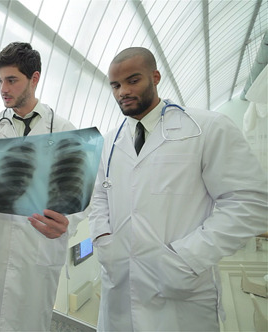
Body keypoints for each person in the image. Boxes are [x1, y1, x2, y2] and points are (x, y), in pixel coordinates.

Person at [89, 47, 268, 331]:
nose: (123, 91)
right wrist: (102, 237)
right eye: (115, 85)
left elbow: (250, 203)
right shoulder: (109, 142)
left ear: (155, 77)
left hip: (180, 289)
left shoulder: (206, 127)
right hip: (120, 284)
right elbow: (99, 195)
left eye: (133, 80)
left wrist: (188, 257)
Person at [0, 42, 81, 331]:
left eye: (12, 80)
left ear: (35, 78)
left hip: (37, 251)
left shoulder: (64, 130)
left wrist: (68, 223)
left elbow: (78, 195)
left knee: (25, 323)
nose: (4, 88)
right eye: (0, 81)